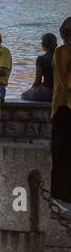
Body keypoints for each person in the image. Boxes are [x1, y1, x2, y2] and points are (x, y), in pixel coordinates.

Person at [50, 17, 71, 206]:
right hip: (64, 106)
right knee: (62, 151)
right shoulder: (61, 52)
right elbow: (65, 82)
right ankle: (61, 191)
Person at [21, 33, 59, 102]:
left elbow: (37, 81)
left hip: (49, 92)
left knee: (23, 95)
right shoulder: (63, 56)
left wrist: (32, 89)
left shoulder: (41, 59)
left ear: (43, 44)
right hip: (61, 92)